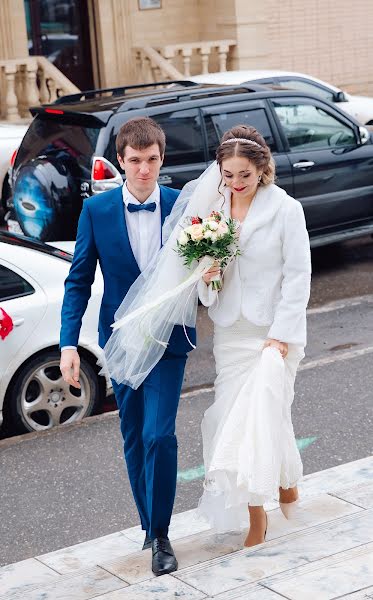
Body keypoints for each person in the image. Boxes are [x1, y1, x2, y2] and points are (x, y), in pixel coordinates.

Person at [103, 123, 311, 550]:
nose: (235, 183)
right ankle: (277, 488)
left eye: (244, 176)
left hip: (274, 333)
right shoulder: (212, 215)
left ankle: (265, 505)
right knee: (238, 417)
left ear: (262, 170)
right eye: (228, 175)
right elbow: (202, 285)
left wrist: (282, 334)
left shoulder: (286, 210)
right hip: (231, 332)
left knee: (261, 416)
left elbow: (298, 276)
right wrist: (209, 278)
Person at [59, 117, 195, 576]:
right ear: (120, 161)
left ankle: (161, 535)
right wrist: (68, 344)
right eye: (134, 161)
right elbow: (77, 282)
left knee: (161, 435)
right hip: (120, 341)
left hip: (169, 340)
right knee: (134, 437)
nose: (143, 170)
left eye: (151, 160)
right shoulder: (96, 213)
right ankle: (147, 523)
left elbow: (204, 271)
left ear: (162, 159)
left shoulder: (182, 207)